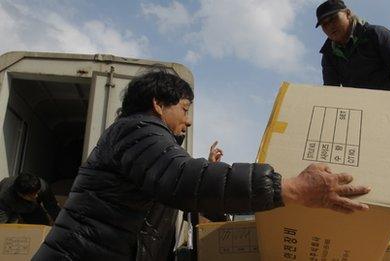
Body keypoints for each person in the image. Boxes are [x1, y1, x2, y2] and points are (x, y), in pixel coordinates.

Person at [33, 68, 370, 261]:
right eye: (184, 108)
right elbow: (180, 179)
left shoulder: (137, 136)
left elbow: (179, 180)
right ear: (157, 104)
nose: (189, 120)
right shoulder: (138, 129)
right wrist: (289, 187)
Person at [316, 0, 390, 121]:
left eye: (333, 18)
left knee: (388, 137)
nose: (330, 26)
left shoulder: (375, 34)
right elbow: (331, 91)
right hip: (358, 108)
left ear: (347, 14)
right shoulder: (329, 55)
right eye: (324, 24)